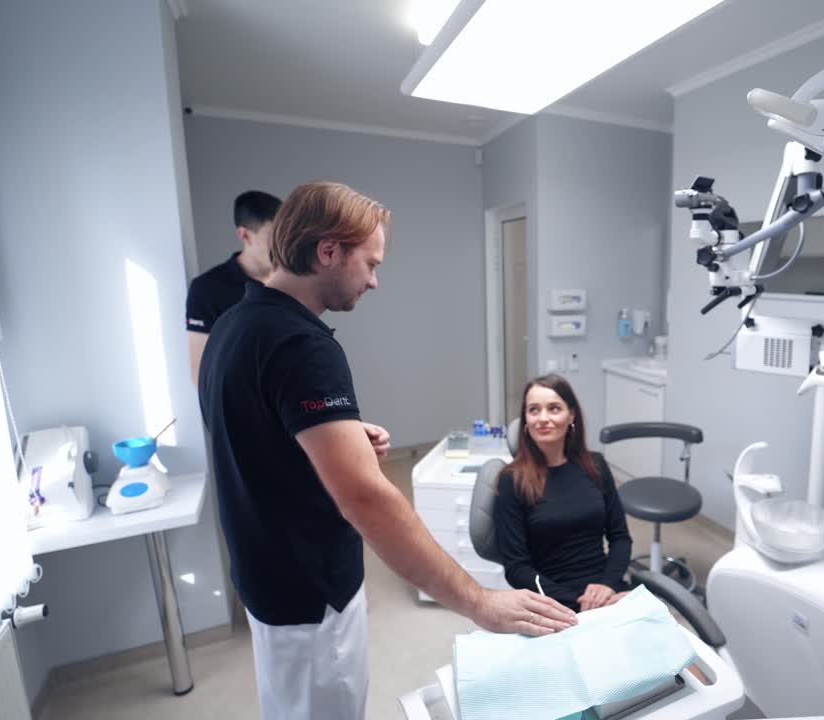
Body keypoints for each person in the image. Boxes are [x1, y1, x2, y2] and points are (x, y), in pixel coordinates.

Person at [197, 182, 576, 720]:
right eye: (369, 264)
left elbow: (247, 431)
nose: (374, 281)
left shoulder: (235, 324)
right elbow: (369, 501)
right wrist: (479, 601)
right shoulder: (303, 346)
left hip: (265, 580)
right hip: (310, 595)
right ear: (328, 252)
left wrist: (334, 434)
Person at [494, 374, 633, 612]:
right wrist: (577, 603)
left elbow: (620, 538)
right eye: (534, 410)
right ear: (525, 421)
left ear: (571, 415)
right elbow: (517, 568)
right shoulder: (512, 480)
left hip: (606, 592)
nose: (543, 418)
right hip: (551, 602)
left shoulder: (596, 466)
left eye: (554, 408)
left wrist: (607, 585)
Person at [186, 190, 283, 384]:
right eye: (273, 236)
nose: (282, 245)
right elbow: (201, 377)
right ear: (244, 235)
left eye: (285, 235)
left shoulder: (291, 279)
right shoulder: (207, 289)